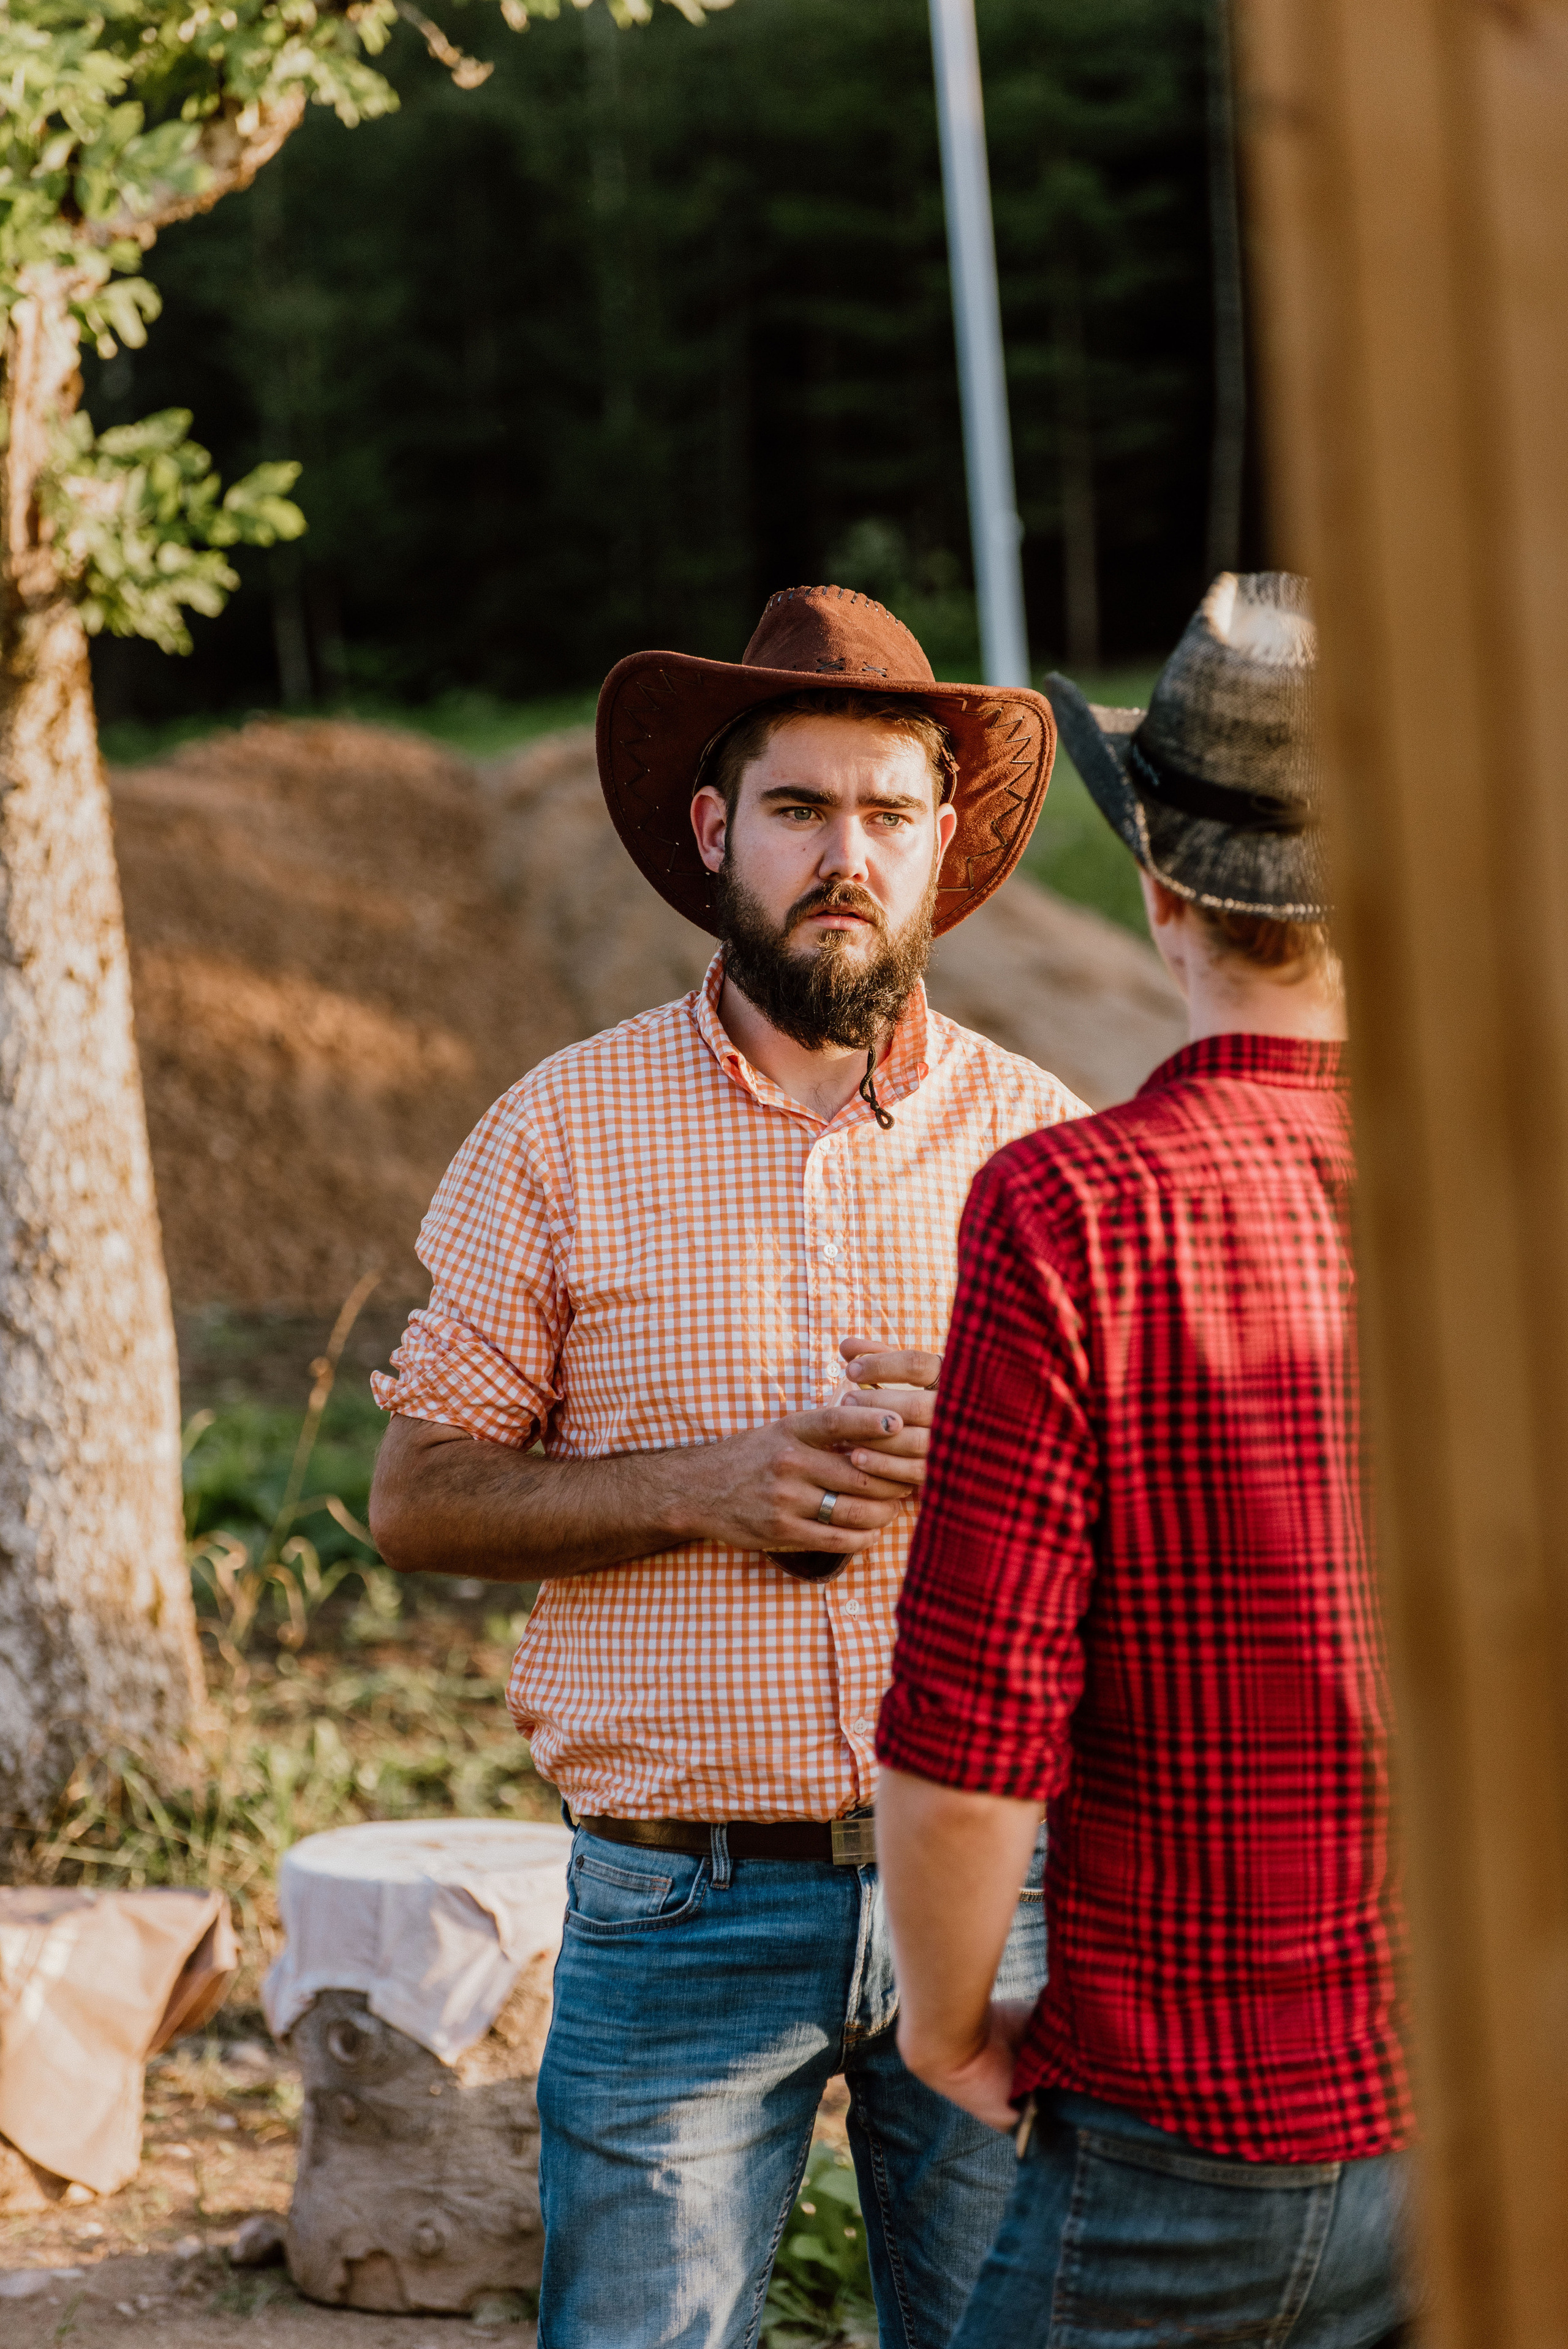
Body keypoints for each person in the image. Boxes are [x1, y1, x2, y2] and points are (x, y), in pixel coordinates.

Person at [368, 583, 1086, 2348]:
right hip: (680, 1898)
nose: (847, 853)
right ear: (717, 832)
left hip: (990, 1880)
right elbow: (414, 1493)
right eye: (799, 808)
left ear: (939, 847)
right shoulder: (560, 1131)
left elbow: (1156, 1523)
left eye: (887, 813)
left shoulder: (1043, 1146)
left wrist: (1009, 1455)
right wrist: (708, 1485)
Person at [875, 572, 1414, 2349]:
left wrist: (951, 2024)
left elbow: (971, 1750)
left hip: (1180, 2129)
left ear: (1159, 884)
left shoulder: (1068, 1215)